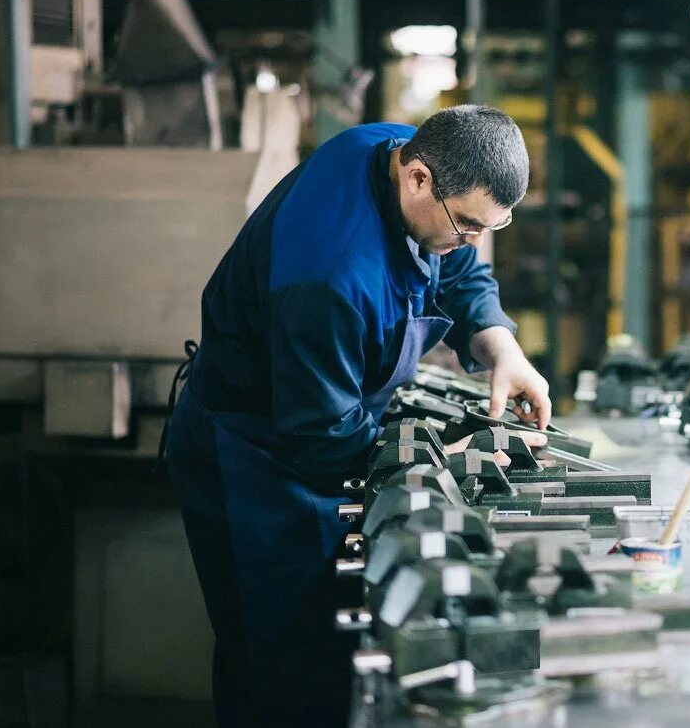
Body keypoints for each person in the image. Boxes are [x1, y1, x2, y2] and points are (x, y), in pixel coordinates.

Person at [162, 105, 551, 726]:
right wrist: (428, 464)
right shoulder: (330, 277)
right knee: (281, 662)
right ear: (419, 178)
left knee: (320, 654)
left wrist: (502, 346)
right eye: (469, 224)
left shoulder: (400, 149)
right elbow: (320, 436)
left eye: (489, 227)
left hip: (323, 421)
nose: (472, 239)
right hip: (255, 457)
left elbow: (457, 267)